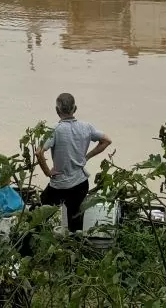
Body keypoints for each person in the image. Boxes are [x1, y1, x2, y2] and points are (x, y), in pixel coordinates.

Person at [37, 92, 111, 232]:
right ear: (75, 109)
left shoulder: (55, 130)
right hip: (80, 183)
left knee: (42, 213)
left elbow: (39, 152)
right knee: (75, 221)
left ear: (57, 110)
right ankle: (73, 248)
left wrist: (47, 172)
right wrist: (87, 157)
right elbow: (107, 140)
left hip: (59, 185)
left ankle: (41, 242)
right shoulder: (86, 127)